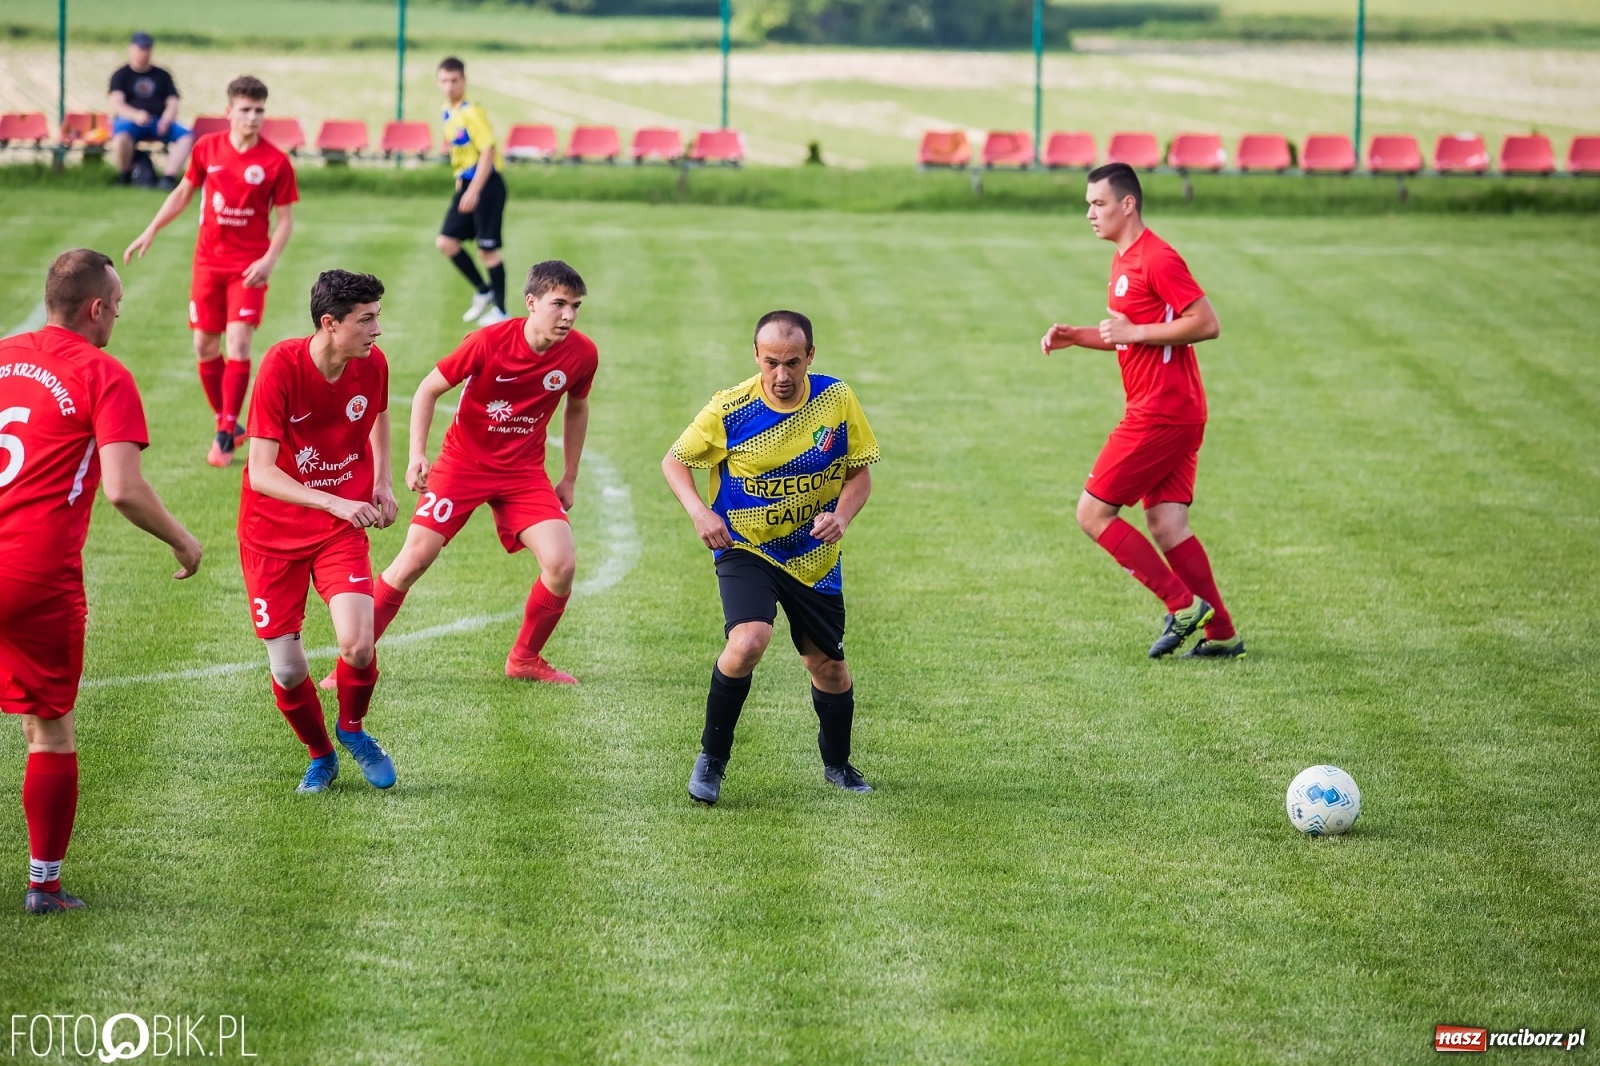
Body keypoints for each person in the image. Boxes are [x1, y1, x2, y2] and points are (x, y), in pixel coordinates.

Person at [0, 249, 202, 914]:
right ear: (94, 308)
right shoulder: (103, 374)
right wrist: (182, 537)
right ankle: (44, 885)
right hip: (34, 576)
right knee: (49, 730)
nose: (120, 312)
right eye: (116, 304)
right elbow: (122, 488)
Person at [320, 260, 597, 689]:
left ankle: (525, 658)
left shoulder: (582, 354)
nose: (568, 315)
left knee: (561, 564)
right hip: (463, 465)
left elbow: (577, 407)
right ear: (531, 303)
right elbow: (428, 389)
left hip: (523, 473)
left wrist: (570, 476)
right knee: (412, 561)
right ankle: (349, 667)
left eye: (575, 306)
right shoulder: (488, 343)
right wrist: (416, 456)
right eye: (558, 304)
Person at [663, 310, 879, 805]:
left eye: (792, 363)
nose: (781, 376)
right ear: (755, 356)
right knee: (748, 641)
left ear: (810, 357)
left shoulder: (836, 399)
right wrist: (700, 513)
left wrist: (841, 518)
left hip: (813, 556)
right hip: (745, 547)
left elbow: (859, 475)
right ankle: (711, 761)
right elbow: (674, 461)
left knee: (829, 671)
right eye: (771, 363)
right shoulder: (730, 408)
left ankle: (838, 766)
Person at [1039, 162, 1243, 659]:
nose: (1090, 213)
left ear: (1127, 204)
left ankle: (1182, 605)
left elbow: (1206, 323)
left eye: (1099, 203)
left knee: (1092, 512)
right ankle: (1222, 635)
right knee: (1168, 525)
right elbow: (1130, 337)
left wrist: (1134, 332)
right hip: (1176, 410)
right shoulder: (1122, 259)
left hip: (1161, 412)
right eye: (1088, 204)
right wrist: (1080, 337)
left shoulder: (1156, 258)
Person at [240, 270, 398, 795]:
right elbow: (260, 471)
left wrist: (381, 481)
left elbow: (378, 416)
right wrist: (334, 499)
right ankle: (320, 755)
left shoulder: (371, 364)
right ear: (330, 324)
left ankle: (351, 729)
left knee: (357, 643)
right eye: (366, 319)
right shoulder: (281, 367)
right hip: (272, 532)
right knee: (287, 670)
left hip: (339, 527)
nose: (377, 329)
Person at [124, 75, 298, 470]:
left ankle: (224, 433)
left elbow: (285, 220)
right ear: (229, 111)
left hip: (248, 268)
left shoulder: (275, 162)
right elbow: (185, 191)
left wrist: (268, 260)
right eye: (245, 109)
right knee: (204, 347)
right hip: (207, 264)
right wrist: (152, 228)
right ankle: (230, 423)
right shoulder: (207, 148)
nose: (253, 117)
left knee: (237, 344)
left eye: (259, 110)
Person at [434, 56, 509, 328]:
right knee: (446, 241)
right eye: (444, 80)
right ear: (437, 82)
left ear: (464, 81)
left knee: (487, 250)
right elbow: (460, 151)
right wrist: (460, 184)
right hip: (466, 185)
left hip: (486, 185)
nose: (449, 86)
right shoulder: (447, 111)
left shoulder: (472, 111)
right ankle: (482, 290)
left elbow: (488, 149)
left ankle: (501, 310)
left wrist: (474, 190)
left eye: (454, 80)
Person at [107, 32, 193, 190]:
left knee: (186, 136)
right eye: (139, 48)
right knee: (121, 137)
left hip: (158, 121)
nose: (143, 52)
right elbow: (117, 103)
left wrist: (167, 119)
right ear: (131, 49)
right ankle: (124, 175)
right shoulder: (121, 75)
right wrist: (135, 115)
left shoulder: (162, 75)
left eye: (147, 48)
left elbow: (173, 102)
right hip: (130, 121)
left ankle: (168, 178)